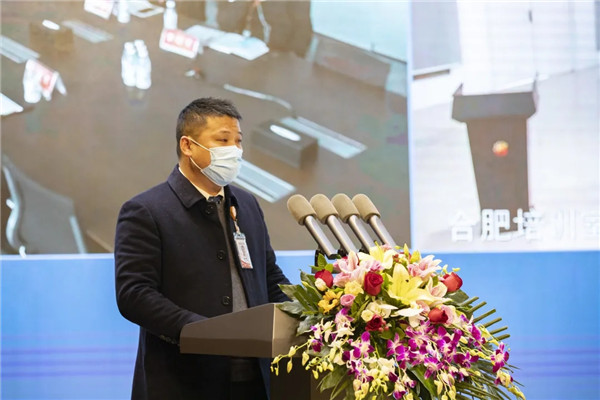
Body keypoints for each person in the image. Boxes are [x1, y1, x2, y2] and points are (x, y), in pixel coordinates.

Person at [114, 97, 290, 400]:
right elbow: (134, 294)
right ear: (188, 146)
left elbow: (269, 277)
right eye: (223, 140)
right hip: (183, 381)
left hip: (254, 379)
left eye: (238, 141)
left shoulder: (246, 204)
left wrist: (307, 313)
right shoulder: (146, 210)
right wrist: (201, 331)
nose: (234, 150)